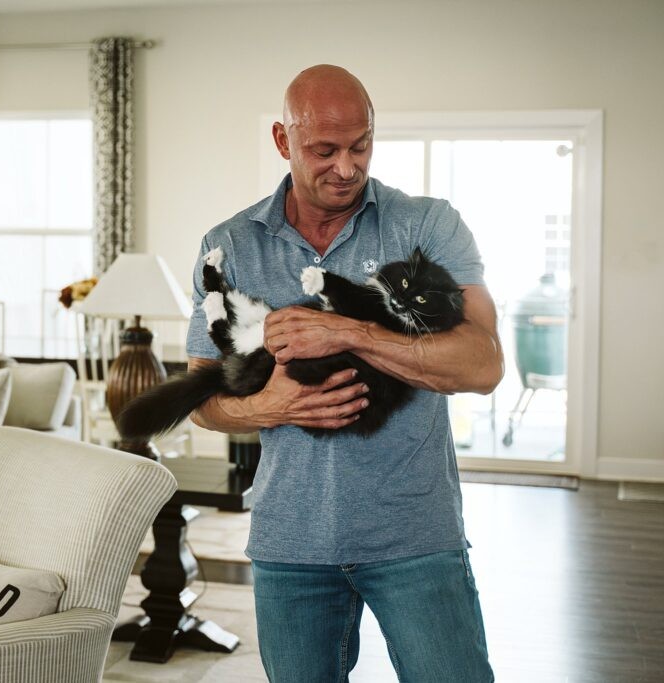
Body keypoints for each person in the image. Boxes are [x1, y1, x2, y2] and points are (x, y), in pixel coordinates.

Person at [185, 65, 502, 682]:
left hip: (415, 535)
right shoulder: (228, 243)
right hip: (290, 543)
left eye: (360, 145)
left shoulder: (428, 225)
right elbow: (204, 396)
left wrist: (350, 331)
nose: (347, 167)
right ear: (283, 141)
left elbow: (484, 363)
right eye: (323, 150)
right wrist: (273, 407)